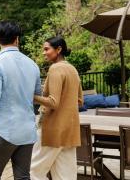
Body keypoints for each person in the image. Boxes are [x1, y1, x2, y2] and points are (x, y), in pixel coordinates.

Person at [0, 21, 41, 180]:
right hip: (27, 131)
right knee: (23, 177)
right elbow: (37, 97)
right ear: (17, 39)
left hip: (4, 131)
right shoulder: (33, 65)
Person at [30, 36, 83, 180]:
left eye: (46, 49)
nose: (44, 52)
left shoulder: (55, 69)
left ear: (58, 49)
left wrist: (31, 95)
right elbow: (79, 100)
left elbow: (53, 102)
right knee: (65, 176)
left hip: (52, 131)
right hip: (70, 131)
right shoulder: (72, 69)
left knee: (34, 172)